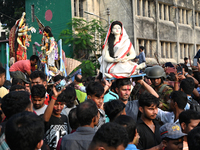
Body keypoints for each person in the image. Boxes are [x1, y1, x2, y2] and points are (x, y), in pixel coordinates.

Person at [43, 83, 69, 150]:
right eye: (56, 104)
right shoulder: (47, 117)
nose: (59, 108)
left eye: (62, 104)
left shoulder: (65, 118)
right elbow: (45, 119)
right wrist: (54, 97)